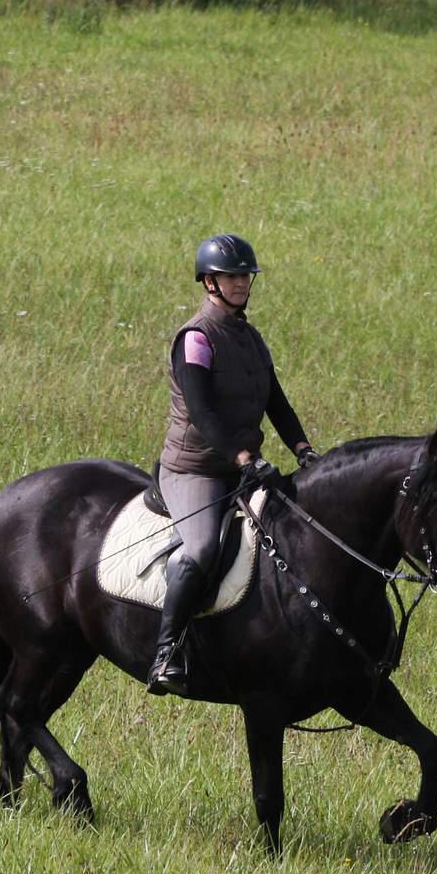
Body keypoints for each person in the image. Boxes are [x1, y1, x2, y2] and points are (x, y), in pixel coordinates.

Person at [149, 234, 321, 694]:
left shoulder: (251, 338)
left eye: (245, 275)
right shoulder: (195, 339)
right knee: (203, 547)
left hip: (243, 467)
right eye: (231, 275)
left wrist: (303, 448)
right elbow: (204, 414)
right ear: (209, 282)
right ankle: (167, 651)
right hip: (195, 470)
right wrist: (246, 457)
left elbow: (276, 401)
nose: (241, 282)